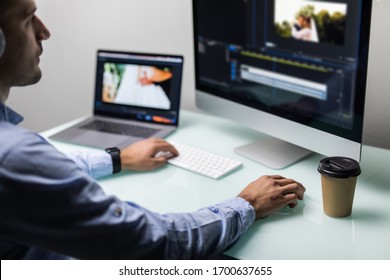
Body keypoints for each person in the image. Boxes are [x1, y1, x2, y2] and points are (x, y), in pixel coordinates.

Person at [0, 0, 305, 260]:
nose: (44, 31)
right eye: (28, 19)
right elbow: (158, 242)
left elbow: (36, 177)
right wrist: (247, 204)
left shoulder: (15, 155)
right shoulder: (13, 155)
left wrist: (119, 158)